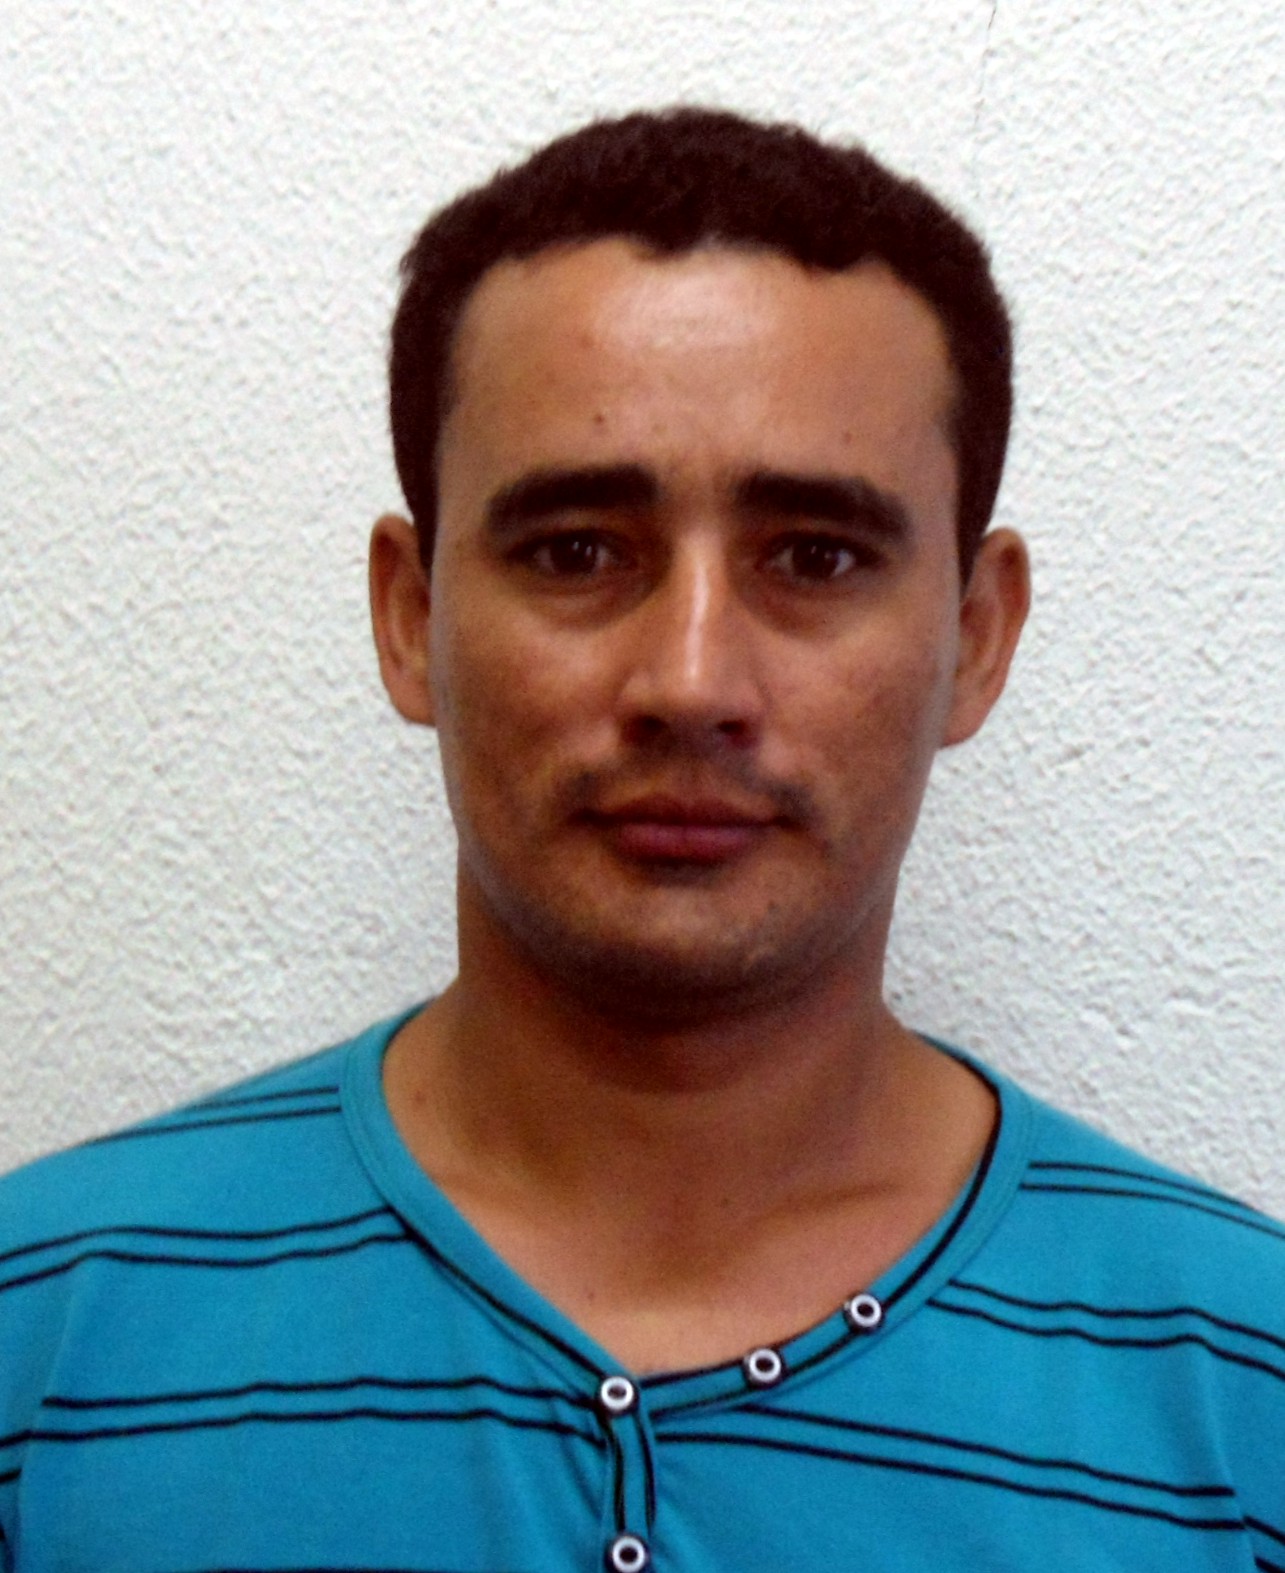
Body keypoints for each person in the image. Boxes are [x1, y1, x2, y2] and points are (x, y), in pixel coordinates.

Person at [1, 106, 1282, 1573]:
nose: (689, 681)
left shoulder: (1246, 1385)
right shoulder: (39, 1340)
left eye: (815, 557)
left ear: (976, 638)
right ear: (411, 618)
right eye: (576, 551)